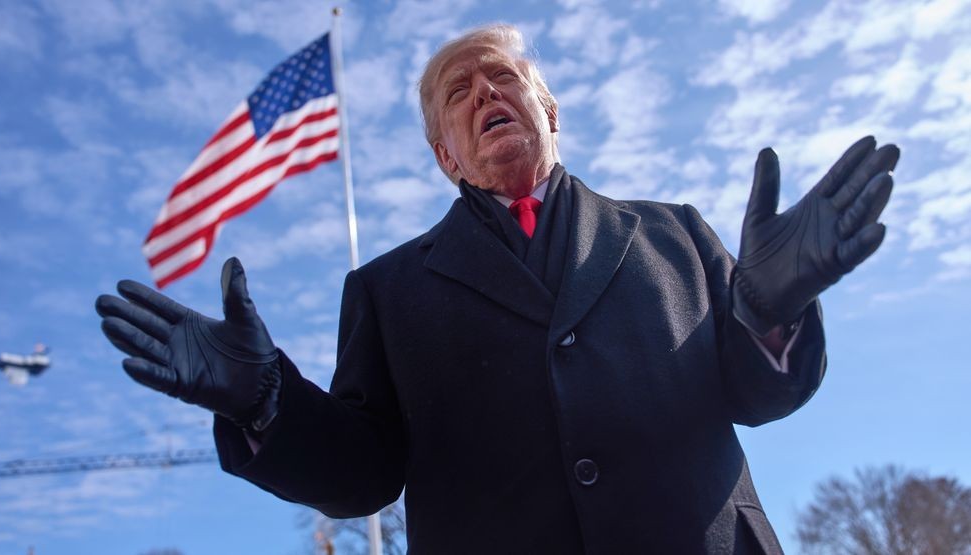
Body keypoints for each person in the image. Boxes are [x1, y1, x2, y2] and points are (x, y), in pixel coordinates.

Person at [96, 24, 898, 553]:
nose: (484, 93)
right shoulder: (385, 291)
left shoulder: (674, 232)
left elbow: (756, 396)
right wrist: (266, 401)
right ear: (445, 155)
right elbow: (363, 476)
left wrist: (768, 311)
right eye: (458, 92)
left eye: (502, 76)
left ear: (547, 109)